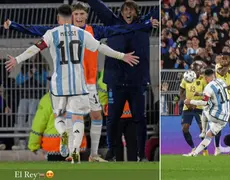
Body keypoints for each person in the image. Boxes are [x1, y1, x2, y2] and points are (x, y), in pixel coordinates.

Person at [3, 2, 155, 162]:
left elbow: (119, 29)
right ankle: (71, 151)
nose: (79, 17)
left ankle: (93, 154)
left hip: (88, 84)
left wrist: (144, 25)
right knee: (75, 118)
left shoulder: (92, 31)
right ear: (71, 17)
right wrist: (14, 25)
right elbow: (35, 30)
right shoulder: (67, 33)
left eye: (82, 14)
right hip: (76, 83)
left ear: (86, 15)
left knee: (95, 116)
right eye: (76, 14)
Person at [87, 0, 159, 161]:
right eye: (125, 10)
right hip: (116, 82)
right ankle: (111, 152)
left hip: (137, 82)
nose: (128, 13)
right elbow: (100, 8)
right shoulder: (113, 23)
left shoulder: (144, 24)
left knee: (139, 119)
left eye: (131, 10)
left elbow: (160, 8)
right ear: (121, 12)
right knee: (112, 119)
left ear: (136, 12)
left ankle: (142, 155)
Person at [183, 68, 230, 157]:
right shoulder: (222, 82)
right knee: (209, 136)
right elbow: (216, 92)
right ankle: (195, 153)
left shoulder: (208, 87)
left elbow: (205, 102)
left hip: (215, 115)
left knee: (205, 109)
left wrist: (191, 101)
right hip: (225, 117)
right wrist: (201, 94)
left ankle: (203, 131)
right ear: (214, 75)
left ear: (205, 77)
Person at [28, 92, 87, 161]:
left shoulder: (47, 99)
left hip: (54, 146)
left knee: (57, 171)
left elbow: (39, 124)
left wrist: (33, 145)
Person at [97, 70, 137, 161]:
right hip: (131, 112)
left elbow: (101, 87)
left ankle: (119, 166)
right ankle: (134, 169)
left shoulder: (108, 70)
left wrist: (103, 102)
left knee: (116, 144)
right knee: (132, 144)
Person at [214, 53, 230, 155]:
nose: (223, 60)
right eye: (222, 58)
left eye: (226, 58)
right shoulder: (218, 66)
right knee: (219, 123)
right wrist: (229, 65)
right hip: (219, 99)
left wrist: (224, 88)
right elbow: (222, 72)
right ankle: (217, 148)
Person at [179, 63, 207, 155]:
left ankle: (205, 150)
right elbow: (181, 92)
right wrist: (186, 101)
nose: (196, 71)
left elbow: (207, 93)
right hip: (187, 107)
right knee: (185, 128)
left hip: (199, 107)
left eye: (197, 69)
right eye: (194, 69)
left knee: (202, 129)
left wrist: (197, 102)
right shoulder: (186, 78)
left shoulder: (203, 79)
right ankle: (193, 148)